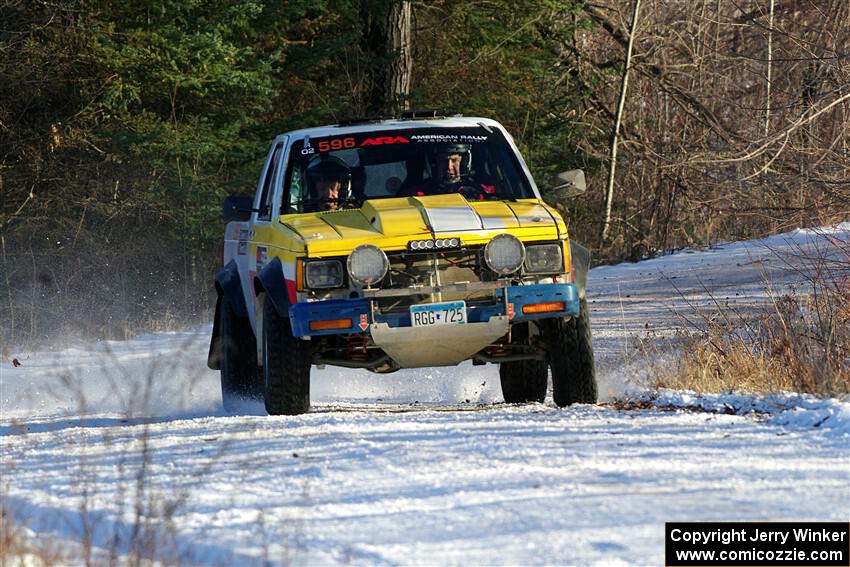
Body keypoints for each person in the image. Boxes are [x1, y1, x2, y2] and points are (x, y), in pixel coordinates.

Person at [399, 143, 495, 199]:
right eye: (443, 161)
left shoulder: (484, 192)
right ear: (435, 164)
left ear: (464, 163)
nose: (449, 167)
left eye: (454, 160)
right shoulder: (415, 195)